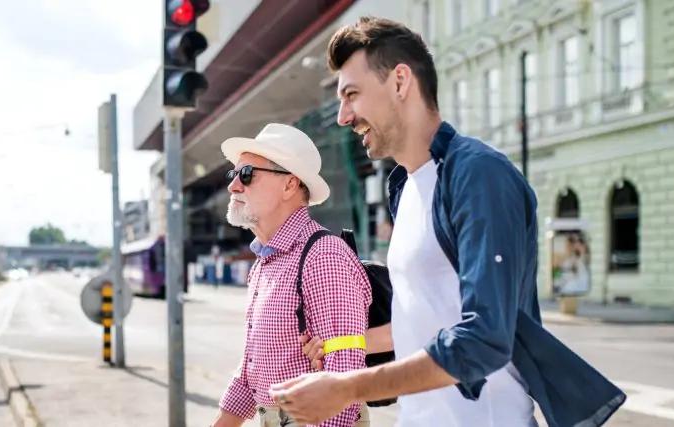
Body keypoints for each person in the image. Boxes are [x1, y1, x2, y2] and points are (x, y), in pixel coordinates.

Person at [269, 16, 626, 427]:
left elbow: (484, 339)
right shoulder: (404, 186)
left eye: (352, 95)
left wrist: (348, 388)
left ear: (400, 82)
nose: (343, 117)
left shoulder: (479, 175)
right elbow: (425, 321)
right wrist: (341, 347)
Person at [212, 123, 374, 427]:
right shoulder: (264, 263)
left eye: (246, 175)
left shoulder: (323, 256)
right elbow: (251, 375)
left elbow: (344, 377)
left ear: (289, 185)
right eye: (233, 175)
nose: (234, 186)